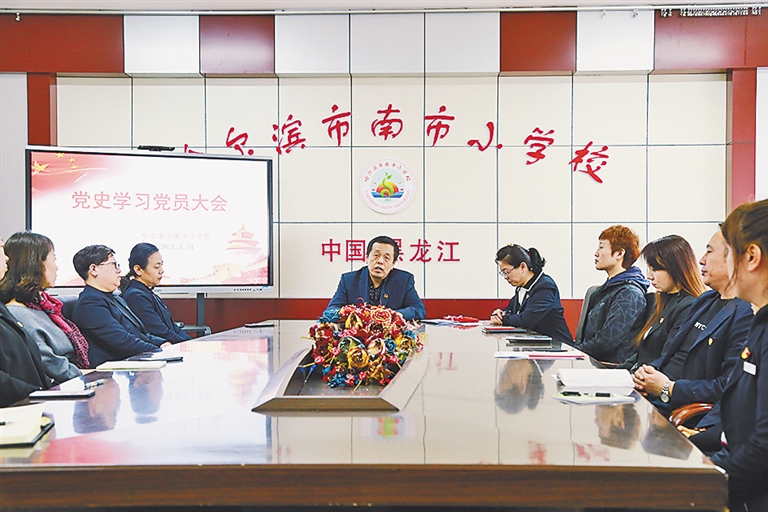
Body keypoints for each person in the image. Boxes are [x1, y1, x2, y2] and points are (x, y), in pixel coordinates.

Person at [631, 229, 753, 417]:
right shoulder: (705, 300)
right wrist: (648, 372)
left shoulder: (746, 313)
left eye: (709, 252)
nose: (701, 260)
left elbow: (728, 385)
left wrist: (668, 388)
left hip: (683, 408)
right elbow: (671, 354)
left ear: (735, 260)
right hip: (657, 395)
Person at [709, 199, 768, 511]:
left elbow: (764, 447)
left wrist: (698, 489)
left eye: (729, 253)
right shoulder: (760, 321)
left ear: (752, 257)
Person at [0, 232, 88, 383]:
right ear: (35, 264)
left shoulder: (45, 306)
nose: (57, 267)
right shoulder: (18, 312)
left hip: (74, 379)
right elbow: (51, 364)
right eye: (53, 259)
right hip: (63, 385)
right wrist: (89, 377)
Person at [71, 245, 169, 367]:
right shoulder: (90, 304)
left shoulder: (115, 298)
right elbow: (124, 342)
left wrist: (163, 343)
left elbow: (141, 334)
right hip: (112, 371)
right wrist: (159, 352)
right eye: (114, 265)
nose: (119, 270)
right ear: (94, 269)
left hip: (133, 364)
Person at [620, 235, 706, 370]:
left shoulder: (688, 306)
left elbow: (668, 360)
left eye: (655, 269)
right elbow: (642, 355)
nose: (649, 276)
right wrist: (618, 373)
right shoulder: (663, 301)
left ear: (676, 268)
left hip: (654, 378)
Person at [575, 225, 650, 363]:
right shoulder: (608, 289)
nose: (596, 253)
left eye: (601, 247)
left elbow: (607, 340)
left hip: (610, 368)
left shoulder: (629, 293)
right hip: (594, 363)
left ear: (619, 254)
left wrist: (575, 352)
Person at [324, 236, 425, 321]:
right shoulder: (349, 280)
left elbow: (418, 310)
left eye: (386, 258)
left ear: (393, 263)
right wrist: (353, 315)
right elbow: (331, 310)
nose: (380, 261)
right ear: (367, 258)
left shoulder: (404, 280)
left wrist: (391, 315)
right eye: (376, 255)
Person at [0, 237, 51, 406]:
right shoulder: (15, 309)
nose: (7, 258)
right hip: (16, 408)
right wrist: (36, 394)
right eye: (0, 249)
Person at [489, 244, 572, 343]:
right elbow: (509, 310)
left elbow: (526, 320)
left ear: (523, 267)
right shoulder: (521, 288)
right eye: (502, 273)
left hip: (555, 345)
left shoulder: (545, 286)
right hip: (534, 344)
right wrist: (498, 314)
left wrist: (503, 319)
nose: (505, 277)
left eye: (507, 272)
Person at [121, 243, 191, 344]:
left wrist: (191, 343)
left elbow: (172, 327)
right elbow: (160, 331)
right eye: (156, 267)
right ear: (138, 270)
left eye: (161, 265)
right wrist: (186, 346)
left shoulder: (148, 292)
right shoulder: (136, 296)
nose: (161, 271)